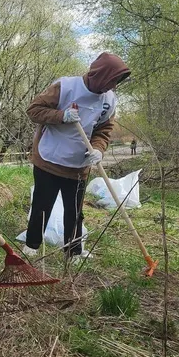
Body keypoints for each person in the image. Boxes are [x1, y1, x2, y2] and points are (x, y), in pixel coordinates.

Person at [22, 53, 130, 260]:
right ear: (99, 75)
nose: (112, 86)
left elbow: (104, 130)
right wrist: (61, 116)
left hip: (79, 164)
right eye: (111, 80)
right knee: (42, 206)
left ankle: (73, 251)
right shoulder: (66, 87)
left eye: (116, 82)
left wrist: (98, 149)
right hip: (50, 159)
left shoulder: (109, 100)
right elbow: (34, 110)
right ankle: (32, 245)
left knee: (74, 212)